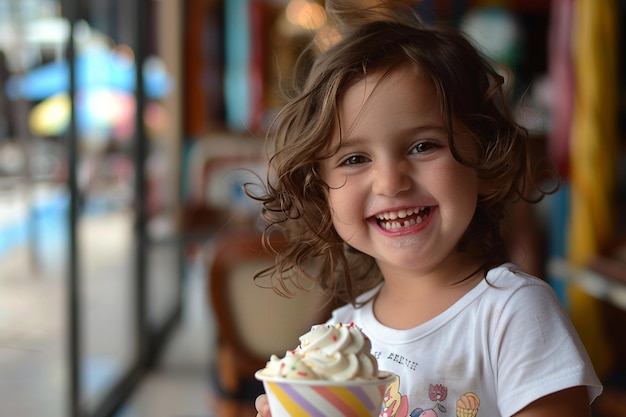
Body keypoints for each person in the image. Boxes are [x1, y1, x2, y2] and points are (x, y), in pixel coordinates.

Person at [248, 1, 602, 416]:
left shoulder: (513, 315)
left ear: (484, 161)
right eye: (355, 159)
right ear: (321, 191)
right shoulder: (338, 340)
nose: (391, 181)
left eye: (423, 146)